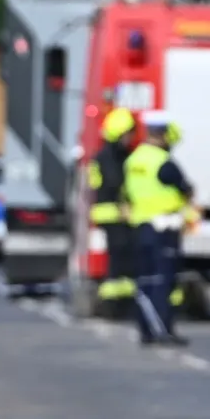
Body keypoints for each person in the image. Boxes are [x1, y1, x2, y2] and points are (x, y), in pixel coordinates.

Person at [124, 111, 193, 346]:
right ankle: (163, 329)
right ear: (163, 135)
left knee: (145, 280)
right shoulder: (164, 162)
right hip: (164, 228)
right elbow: (185, 188)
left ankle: (146, 329)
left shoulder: (134, 160)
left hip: (141, 226)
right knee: (164, 281)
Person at [90, 107, 138, 319]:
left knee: (123, 260)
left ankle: (121, 302)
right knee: (117, 261)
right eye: (128, 133)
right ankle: (111, 304)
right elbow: (114, 182)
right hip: (112, 213)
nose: (130, 138)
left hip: (115, 213)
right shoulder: (109, 157)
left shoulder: (109, 155)